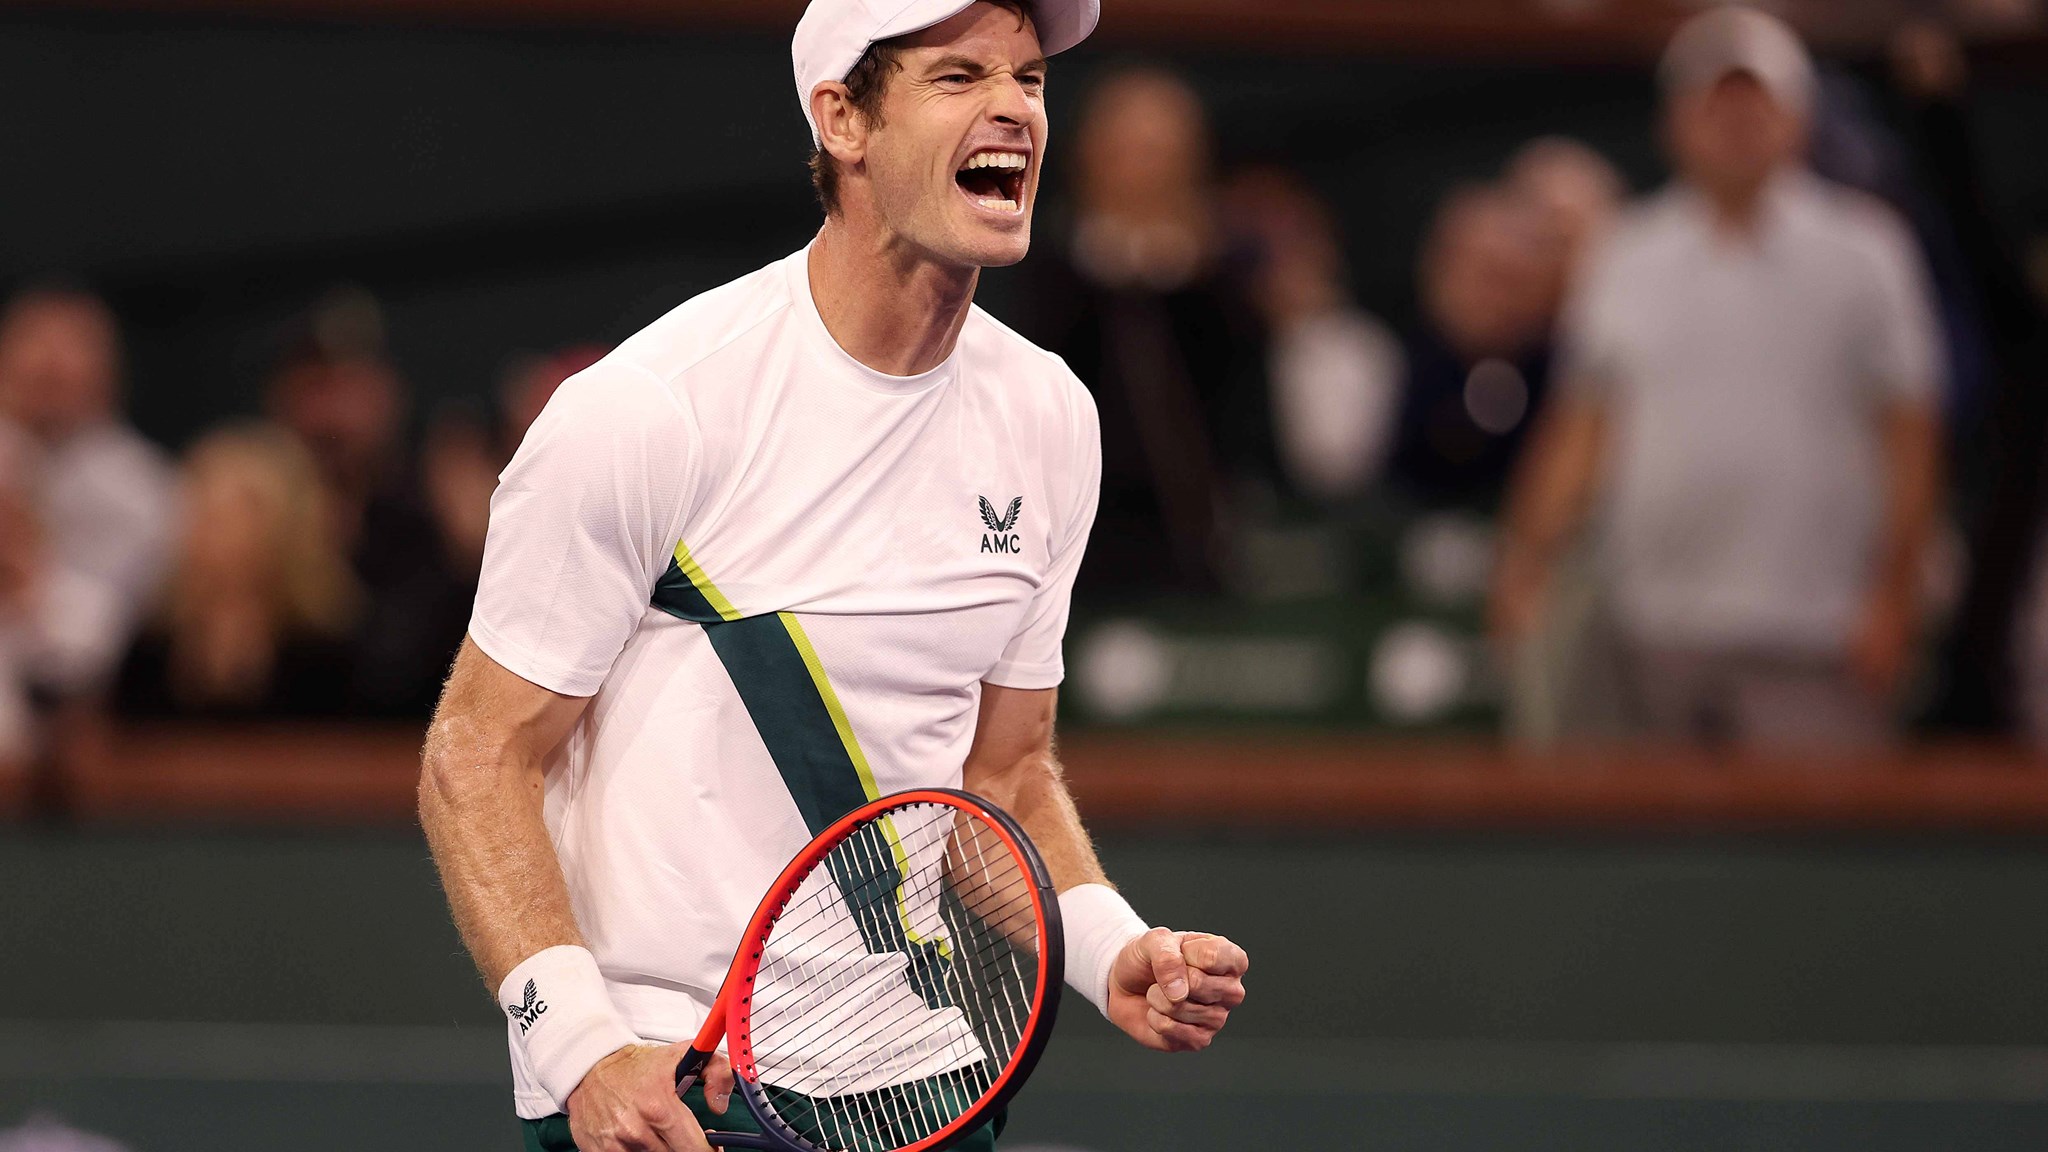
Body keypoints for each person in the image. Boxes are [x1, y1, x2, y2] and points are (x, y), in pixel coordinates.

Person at [417, 4, 1250, 1152]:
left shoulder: (1049, 417)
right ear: (843, 120)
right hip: (674, 1087)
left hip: (924, 1090)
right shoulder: (652, 410)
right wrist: (580, 1051)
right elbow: (477, 753)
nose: (1012, 107)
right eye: (957, 76)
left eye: (1028, 78)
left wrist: (1108, 948)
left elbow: (1001, 774)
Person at [1491, 6, 1946, 750]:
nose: (1736, 125)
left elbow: (1911, 438)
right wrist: (1526, 557)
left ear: (1796, 119)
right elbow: (1583, 427)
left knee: (1815, 826)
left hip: (1816, 638)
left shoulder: (1867, 253)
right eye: (1715, 104)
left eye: (1756, 104)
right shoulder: (1624, 255)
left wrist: (1895, 600)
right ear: (1675, 122)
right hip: (1652, 631)